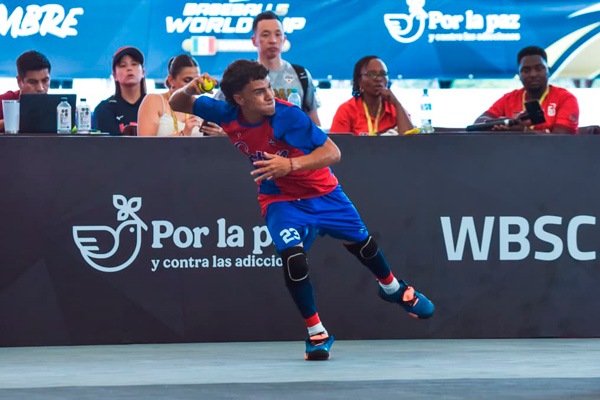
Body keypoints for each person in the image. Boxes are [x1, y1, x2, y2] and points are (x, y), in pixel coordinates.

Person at [170, 60, 434, 361]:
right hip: (279, 198)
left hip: (323, 193)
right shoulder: (223, 112)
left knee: (362, 244)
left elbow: (333, 152)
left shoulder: (288, 116)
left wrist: (290, 164)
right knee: (293, 260)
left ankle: (392, 288)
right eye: (258, 92)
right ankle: (316, 332)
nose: (269, 95)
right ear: (239, 99)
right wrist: (191, 88)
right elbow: (177, 102)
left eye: (268, 87)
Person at [213, 11, 322, 125]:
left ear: (284, 39)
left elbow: (314, 122)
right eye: (265, 35)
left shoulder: (301, 75)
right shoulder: (240, 75)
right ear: (254, 40)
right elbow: (215, 113)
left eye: (278, 34)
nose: (273, 40)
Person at [474, 46, 579, 134]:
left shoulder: (565, 98)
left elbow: (562, 141)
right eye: (526, 70)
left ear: (549, 71)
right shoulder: (509, 98)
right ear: (519, 75)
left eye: (539, 68)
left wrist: (524, 130)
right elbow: (478, 123)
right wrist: (508, 122)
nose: (533, 74)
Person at [137, 54, 223, 137]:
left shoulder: (200, 105)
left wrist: (220, 134)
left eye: (196, 80)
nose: (193, 84)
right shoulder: (154, 100)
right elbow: (145, 143)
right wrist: (183, 134)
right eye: (187, 80)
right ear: (171, 80)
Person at [329, 56, 414, 136]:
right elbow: (336, 144)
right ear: (360, 81)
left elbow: (411, 140)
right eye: (372, 74)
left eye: (383, 74)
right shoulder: (346, 110)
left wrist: (396, 103)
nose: (379, 79)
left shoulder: (395, 108)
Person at [93, 47, 147, 135]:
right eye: (123, 65)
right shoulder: (104, 109)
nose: (129, 68)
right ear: (115, 76)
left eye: (134, 64)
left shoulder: (155, 106)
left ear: (143, 72)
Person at [0, 50, 51, 133]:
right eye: (33, 82)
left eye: (45, 80)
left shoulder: (60, 107)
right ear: (20, 81)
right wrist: (13, 121)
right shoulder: (4, 101)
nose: (40, 88)